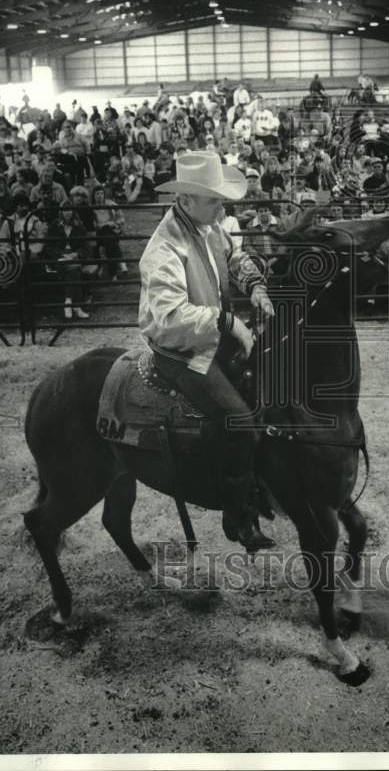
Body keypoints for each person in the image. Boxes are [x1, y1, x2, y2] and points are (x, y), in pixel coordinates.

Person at [139, 151, 276, 553]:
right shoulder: (162, 250)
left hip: (212, 336)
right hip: (181, 350)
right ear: (186, 200)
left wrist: (256, 286)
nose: (223, 206)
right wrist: (228, 323)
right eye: (215, 199)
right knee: (240, 420)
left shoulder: (208, 225)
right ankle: (236, 515)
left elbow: (235, 256)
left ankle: (258, 480)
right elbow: (169, 317)